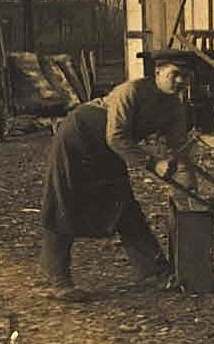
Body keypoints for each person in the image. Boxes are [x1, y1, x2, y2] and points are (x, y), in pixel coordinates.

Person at [39, 54, 195, 300]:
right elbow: (116, 137)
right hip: (79, 135)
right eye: (174, 74)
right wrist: (153, 164)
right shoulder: (131, 91)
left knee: (124, 205)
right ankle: (58, 281)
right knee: (63, 202)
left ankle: (157, 273)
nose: (179, 81)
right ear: (158, 72)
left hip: (110, 147)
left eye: (185, 77)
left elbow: (178, 148)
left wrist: (188, 194)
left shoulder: (174, 107)